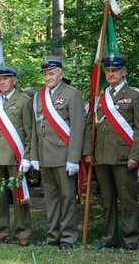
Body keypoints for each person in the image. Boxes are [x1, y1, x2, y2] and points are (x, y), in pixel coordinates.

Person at [82, 54, 139, 251]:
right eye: (109, 71)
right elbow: (90, 127)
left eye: (116, 70)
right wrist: (88, 152)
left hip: (123, 157)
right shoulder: (99, 97)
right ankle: (109, 237)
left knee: (127, 200)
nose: (112, 74)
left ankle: (131, 238)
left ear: (123, 72)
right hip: (102, 157)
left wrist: (135, 155)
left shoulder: (135, 96)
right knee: (107, 201)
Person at [30, 55, 84, 250]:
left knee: (67, 198)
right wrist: (34, 156)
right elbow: (36, 129)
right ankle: (53, 235)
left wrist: (73, 158)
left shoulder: (72, 94)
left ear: (60, 74)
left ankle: (68, 237)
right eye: (45, 74)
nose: (48, 77)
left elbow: (78, 128)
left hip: (63, 156)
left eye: (51, 73)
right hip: (45, 156)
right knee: (51, 199)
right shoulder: (38, 96)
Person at [0, 65, 33, 246]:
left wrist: (27, 156)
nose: (2, 82)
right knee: (0, 196)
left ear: (14, 80)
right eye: (0, 79)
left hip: (15, 155)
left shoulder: (24, 100)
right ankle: (1, 231)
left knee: (19, 195)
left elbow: (29, 131)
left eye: (6, 79)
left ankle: (22, 232)